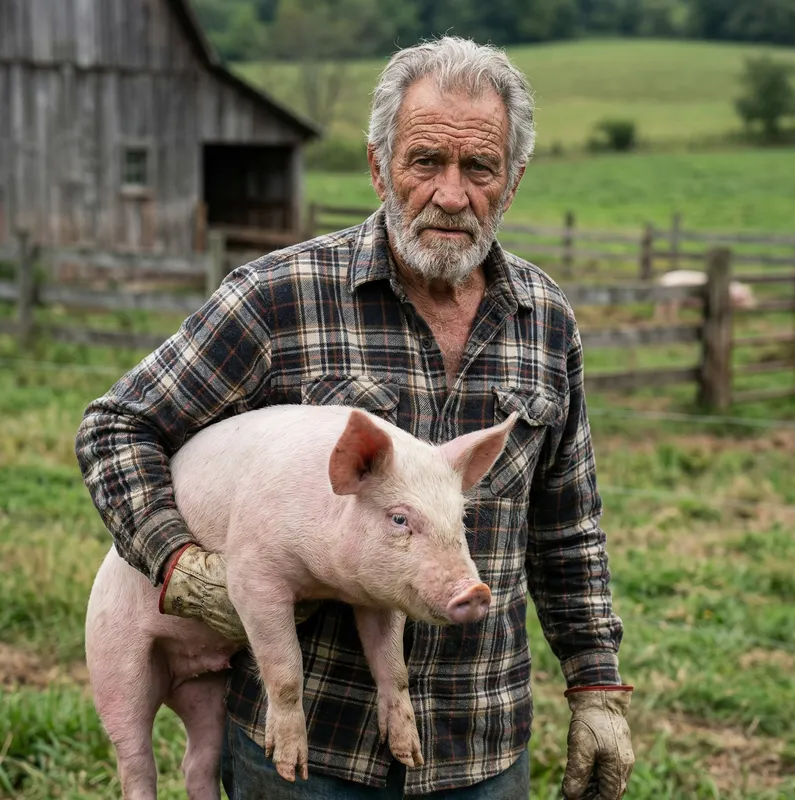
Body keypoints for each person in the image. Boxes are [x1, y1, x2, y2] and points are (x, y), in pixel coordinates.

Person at [76, 35, 634, 799]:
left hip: (481, 742)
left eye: (479, 168)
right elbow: (115, 428)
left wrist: (597, 687)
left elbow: (568, 527)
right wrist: (176, 562)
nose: (451, 194)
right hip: (306, 757)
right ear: (378, 166)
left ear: (512, 182)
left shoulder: (546, 320)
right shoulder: (278, 297)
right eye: (424, 161)